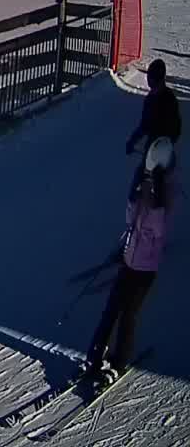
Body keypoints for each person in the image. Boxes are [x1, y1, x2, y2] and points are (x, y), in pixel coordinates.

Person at [86, 136, 175, 386]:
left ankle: (119, 361)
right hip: (129, 259)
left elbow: (157, 230)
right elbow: (130, 217)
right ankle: (95, 355)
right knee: (111, 309)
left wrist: (155, 198)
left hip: (145, 268)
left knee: (128, 314)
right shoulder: (146, 183)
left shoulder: (167, 188)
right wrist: (134, 194)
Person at [126, 59, 182, 155]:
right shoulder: (158, 97)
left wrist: (167, 141)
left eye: (150, 77)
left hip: (160, 147)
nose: (148, 79)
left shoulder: (164, 99)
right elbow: (145, 125)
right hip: (155, 145)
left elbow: (175, 125)